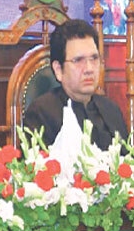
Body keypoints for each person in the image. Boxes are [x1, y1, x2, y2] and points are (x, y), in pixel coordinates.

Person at [25, 19, 128, 150]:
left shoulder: (111, 109)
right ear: (58, 70)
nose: (89, 69)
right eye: (78, 60)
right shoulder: (41, 113)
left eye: (94, 58)